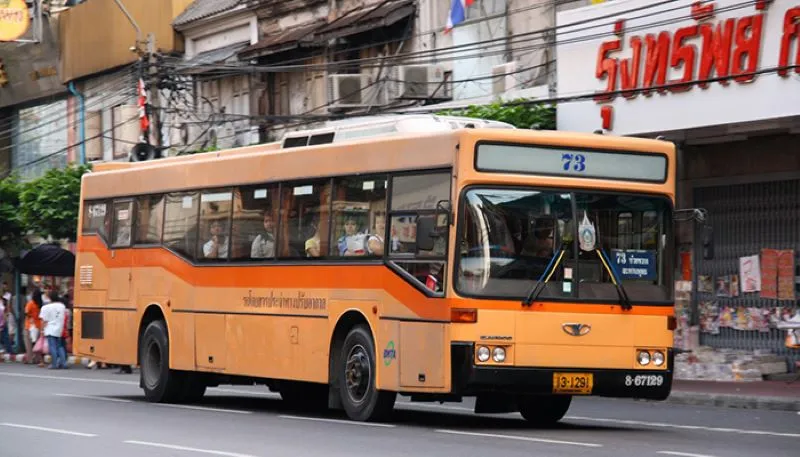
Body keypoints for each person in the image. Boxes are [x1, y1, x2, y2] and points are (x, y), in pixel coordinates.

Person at [39, 290, 67, 369]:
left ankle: (54, 364)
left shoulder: (45, 307)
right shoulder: (62, 306)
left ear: (49, 298)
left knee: (52, 347)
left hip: (50, 329)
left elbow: (43, 320)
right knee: (60, 346)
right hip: (59, 328)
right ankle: (63, 363)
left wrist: (41, 330)